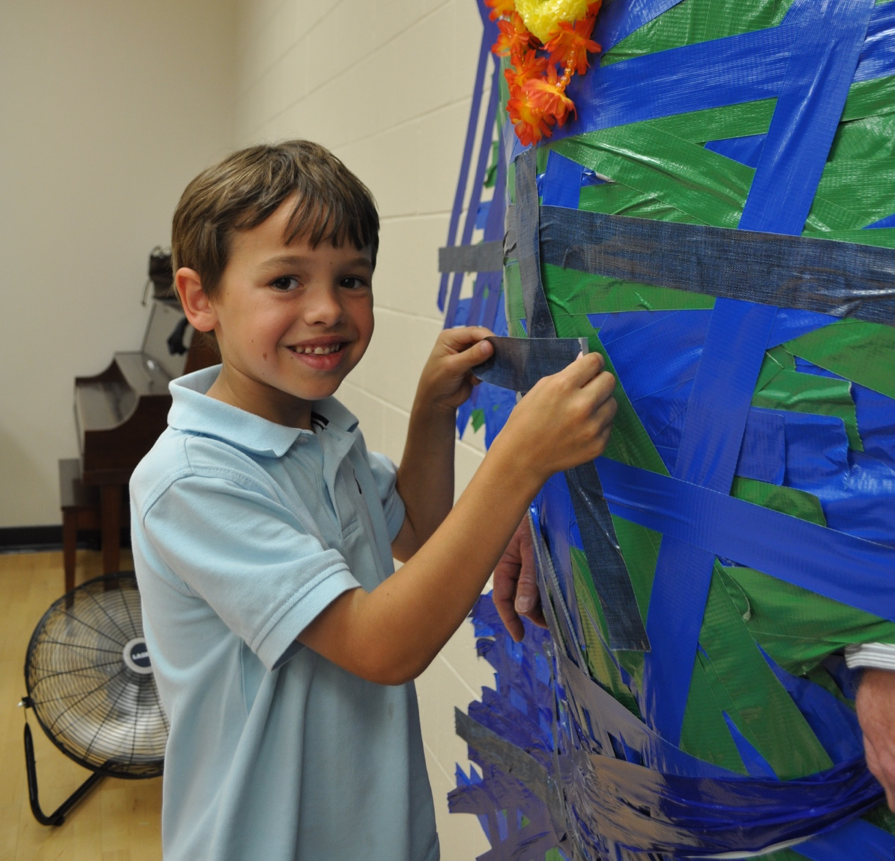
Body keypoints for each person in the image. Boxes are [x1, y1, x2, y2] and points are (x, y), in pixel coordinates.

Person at [346, 0, 895, 835]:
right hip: (617, 597)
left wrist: (884, 619)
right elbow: (539, 233)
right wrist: (519, 496)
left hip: (821, 629)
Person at [129, 139, 617, 861]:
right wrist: (518, 462)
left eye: (351, 279)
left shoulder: (322, 433)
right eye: (286, 282)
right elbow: (381, 644)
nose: (327, 309)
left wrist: (431, 416)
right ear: (201, 299)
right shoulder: (194, 480)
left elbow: (416, 536)